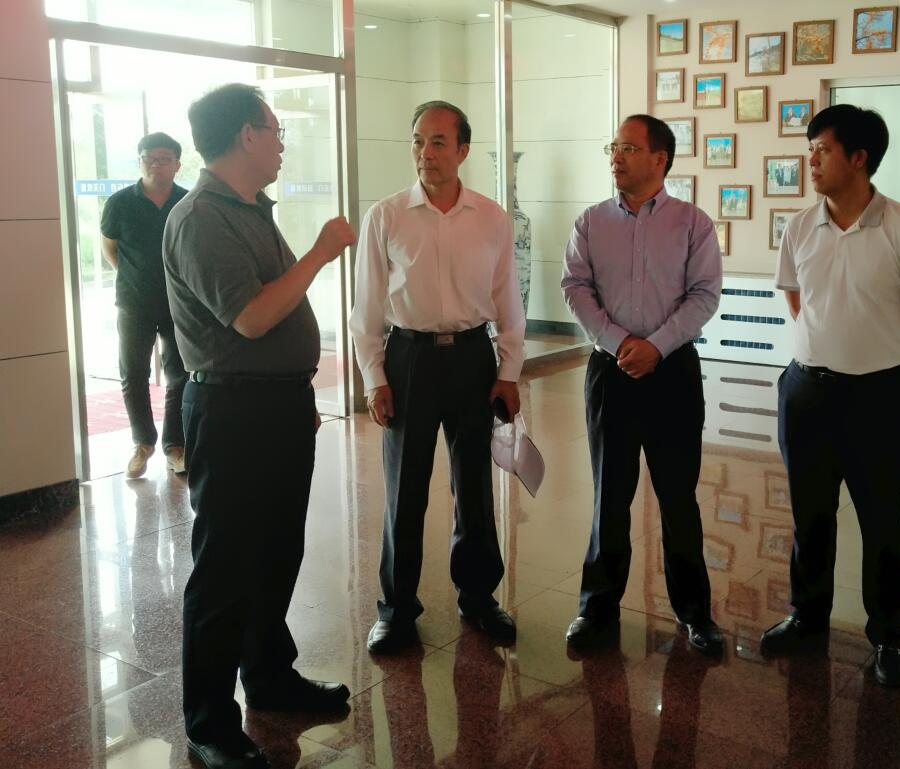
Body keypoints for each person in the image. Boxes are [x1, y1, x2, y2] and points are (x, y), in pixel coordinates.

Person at [164, 84, 355, 769]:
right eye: (274, 130)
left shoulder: (249, 208)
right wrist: (321, 251)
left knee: (276, 551)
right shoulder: (199, 218)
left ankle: (270, 677)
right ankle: (209, 721)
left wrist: (292, 390)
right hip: (231, 411)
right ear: (246, 134)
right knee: (225, 568)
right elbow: (250, 317)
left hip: (275, 406)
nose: (281, 142)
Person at [758, 105, 900, 689]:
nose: (810, 160)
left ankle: (887, 635)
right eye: (810, 148)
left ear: (859, 158)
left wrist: (895, 367)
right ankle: (807, 617)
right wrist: (826, 347)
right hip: (806, 391)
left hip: (876, 397)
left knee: (882, 519)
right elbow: (798, 300)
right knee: (809, 514)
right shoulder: (799, 227)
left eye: (823, 149)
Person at [350, 100, 524, 654]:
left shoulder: (491, 217)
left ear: (463, 150)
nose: (426, 153)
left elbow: (508, 298)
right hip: (410, 360)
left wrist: (509, 371)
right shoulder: (386, 216)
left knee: (473, 485)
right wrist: (374, 377)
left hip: (473, 358)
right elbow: (365, 307)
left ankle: (478, 597)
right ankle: (396, 609)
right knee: (404, 489)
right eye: (418, 141)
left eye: (439, 142)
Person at [560, 114, 724, 656]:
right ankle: (596, 609)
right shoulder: (591, 222)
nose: (617, 156)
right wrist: (617, 342)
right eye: (613, 147)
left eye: (629, 148)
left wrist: (656, 345)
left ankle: (695, 613)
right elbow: (575, 286)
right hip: (610, 373)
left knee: (678, 496)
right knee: (610, 493)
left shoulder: (692, 223)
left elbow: (704, 294)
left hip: (673, 372)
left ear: (660, 158)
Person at [100, 132, 189, 477]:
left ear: (177, 164)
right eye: (149, 158)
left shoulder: (187, 202)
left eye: (164, 159)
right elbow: (110, 247)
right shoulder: (120, 203)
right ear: (139, 162)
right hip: (133, 302)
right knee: (133, 373)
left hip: (178, 302)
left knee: (179, 373)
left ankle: (175, 445)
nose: (156, 165)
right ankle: (142, 443)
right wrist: (133, 276)